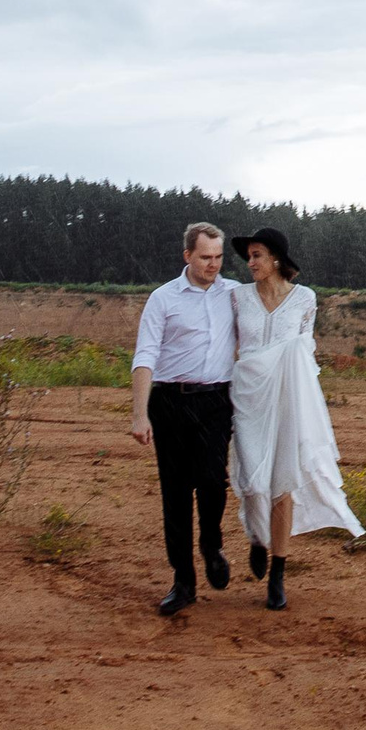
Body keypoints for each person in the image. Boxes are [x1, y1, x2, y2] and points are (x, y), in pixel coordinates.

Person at [226, 227, 362, 609]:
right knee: (252, 481)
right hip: (249, 399)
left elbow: (305, 353)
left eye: (256, 255)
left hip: (288, 401)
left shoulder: (305, 299)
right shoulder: (237, 298)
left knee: (282, 485)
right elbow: (231, 348)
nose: (250, 263)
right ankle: (257, 536)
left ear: (276, 259)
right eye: (248, 256)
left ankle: (278, 573)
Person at [129, 221, 237, 616]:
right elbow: (145, 356)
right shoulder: (163, 299)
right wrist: (140, 413)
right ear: (187, 255)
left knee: (212, 480)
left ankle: (211, 543)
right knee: (175, 495)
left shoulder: (234, 295)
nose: (213, 265)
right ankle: (183, 582)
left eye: (219, 257)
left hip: (215, 402)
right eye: (205, 257)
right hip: (170, 402)